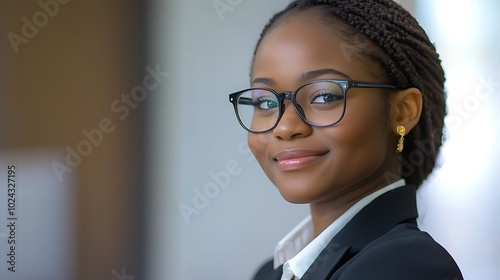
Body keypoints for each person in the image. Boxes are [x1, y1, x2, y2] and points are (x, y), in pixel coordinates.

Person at [228, 0, 464, 279]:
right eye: (265, 102)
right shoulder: (271, 273)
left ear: (402, 111)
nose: (285, 126)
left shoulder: (407, 266)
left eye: (324, 96)